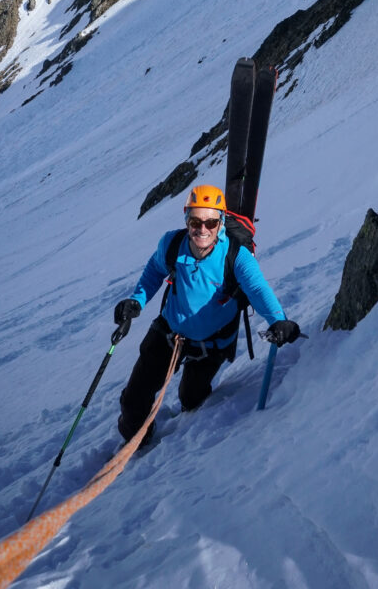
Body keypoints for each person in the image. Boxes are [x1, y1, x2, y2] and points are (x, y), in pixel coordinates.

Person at [114, 184, 301, 442]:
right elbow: (155, 270)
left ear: (221, 222)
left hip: (211, 345)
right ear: (186, 220)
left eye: (211, 222)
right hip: (168, 333)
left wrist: (278, 320)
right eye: (195, 221)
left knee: (192, 398)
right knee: (134, 401)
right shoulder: (172, 244)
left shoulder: (236, 255)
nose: (202, 229)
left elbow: (257, 288)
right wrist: (137, 301)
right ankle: (137, 446)